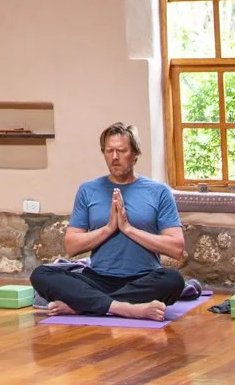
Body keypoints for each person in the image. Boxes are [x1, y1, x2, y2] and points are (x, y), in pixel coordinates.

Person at [30, 124, 186, 319]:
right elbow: (71, 246)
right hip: (97, 279)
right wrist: (109, 228)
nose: (114, 157)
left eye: (121, 150)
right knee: (41, 274)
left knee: (173, 280)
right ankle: (125, 308)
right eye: (109, 151)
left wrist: (128, 229)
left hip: (144, 278)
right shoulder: (88, 190)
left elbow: (176, 248)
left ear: (136, 153)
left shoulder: (159, 192)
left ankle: (84, 305)